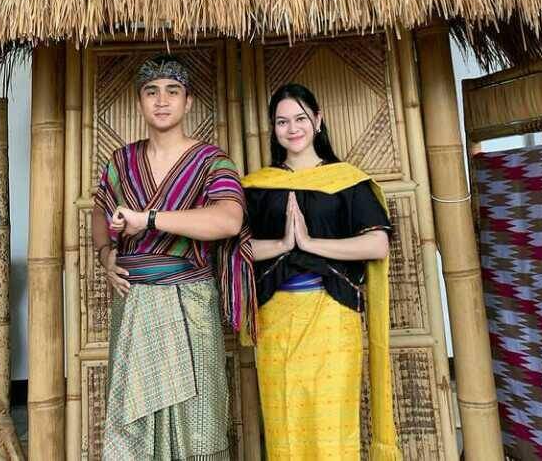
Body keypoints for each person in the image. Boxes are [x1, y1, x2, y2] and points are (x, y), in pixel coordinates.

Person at [92, 55, 256, 461]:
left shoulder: (212, 161)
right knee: (133, 423)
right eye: (151, 92)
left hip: (191, 303)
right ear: (139, 102)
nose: (162, 101)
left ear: (188, 102)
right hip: (135, 304)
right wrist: (106, 255)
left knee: (198, 422)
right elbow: (100, 213)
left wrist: (149, 219)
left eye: (172, 91)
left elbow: (229, 220)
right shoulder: (121, 161)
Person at [242, 83, 401, 461]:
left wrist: (311, 243)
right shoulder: (258, 187)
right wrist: (284, 244)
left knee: (333, 427)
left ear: (317, 120)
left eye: (300, 118)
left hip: (333, 319)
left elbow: (377, 245)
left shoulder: (347, 181)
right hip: (276, 322)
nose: (292, 128)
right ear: (273, 128)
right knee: (284, 427)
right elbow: (236, 253)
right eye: (282, 121)